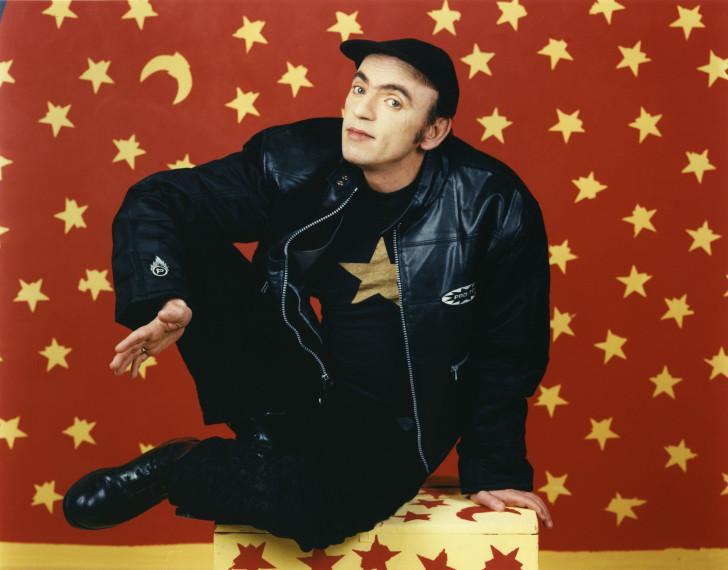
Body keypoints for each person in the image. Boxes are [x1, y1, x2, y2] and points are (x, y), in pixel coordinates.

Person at [62, 38, 554, 550]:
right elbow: (159, 199)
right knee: (184, 225)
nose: (362, 109)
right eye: (359, 88)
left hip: (397, 429)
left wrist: (495, 467)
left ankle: (176, 466)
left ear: (432, 131)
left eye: (392, 101)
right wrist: (169, 297)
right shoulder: (294, 160)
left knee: (321, 513)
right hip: (301, 387)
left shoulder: (492, 203)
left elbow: (508, 352)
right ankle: (265, 435)